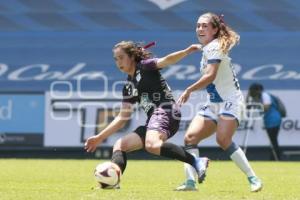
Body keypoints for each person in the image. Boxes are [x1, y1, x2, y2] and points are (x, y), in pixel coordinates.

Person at [84, 40, 209, 189]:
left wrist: (186, 51)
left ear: (131, 57)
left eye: (121, 57)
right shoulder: (128, 86)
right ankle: (113, 182)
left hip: (166, 110)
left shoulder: (145, 66)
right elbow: (122, 118)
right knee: (120, 145)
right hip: (155, 118)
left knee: (152, 145)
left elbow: (167, 60)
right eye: (116, 59)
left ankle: (196, 162)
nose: (118, 62)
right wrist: (99, 137)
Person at [175, 12, 263, 192]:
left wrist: (189, 89)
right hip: (214, 103)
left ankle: (253, 178)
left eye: (205, 25)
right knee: (190, 138)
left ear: (215, 30)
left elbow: (210, 75)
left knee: (223, 139)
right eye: (198, 25)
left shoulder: (214, 47)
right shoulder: (209, 47)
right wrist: (196, 49)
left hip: (231, 101)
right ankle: (190, 183)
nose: (200, 28)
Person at [246, 83, 282, 160]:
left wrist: (256, 105)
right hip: (269, 120)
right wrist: (249, 97)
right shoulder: (258, 97)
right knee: (272, 140)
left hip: (274, 120)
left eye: (252, 91)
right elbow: (247, 104)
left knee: (273, 140)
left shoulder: (265, 95)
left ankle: (276, 158)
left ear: (257, 90)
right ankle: (274, 157)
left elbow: (266, 107)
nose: (251, 92)